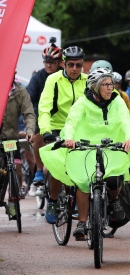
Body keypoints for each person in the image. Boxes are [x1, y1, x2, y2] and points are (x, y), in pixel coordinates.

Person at [39, 68, 130, 239]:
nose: (110, 88)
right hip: (84, 146)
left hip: (112, 145)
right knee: (84, 181)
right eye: (106, 84)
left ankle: (114, 201)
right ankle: (82, 223)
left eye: (112, 84)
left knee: (114, 178)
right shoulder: (82, 102)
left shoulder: (117, 100)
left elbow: (126, 120)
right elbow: (71, 121)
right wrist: (69, 138)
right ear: (95, 86)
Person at [37, 45, 88, 224]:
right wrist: (46, 131)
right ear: (64, 64)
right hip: (57, 126)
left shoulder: (88, 81)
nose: (75, 69)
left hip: (80, 129)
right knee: (57, 165)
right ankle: (52, 200)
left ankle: (77, 199)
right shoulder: (53, 80)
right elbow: (44, 107)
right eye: (71, 65)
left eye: (79, 65)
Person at [26, 38, 63, 192]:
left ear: (59, 62)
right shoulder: (38, 77)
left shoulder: (64, 76)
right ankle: (39, 171)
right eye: (46, 61)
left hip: (62, 117)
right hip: (42, 115)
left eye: (53, 62)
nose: (49, 65)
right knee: (39, 136)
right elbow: (29, 99)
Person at [2, 73, 36, 218]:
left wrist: (29, 131)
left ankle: (12, 202)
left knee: (16, 169)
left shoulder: (20, 91)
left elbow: (29, 113)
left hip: (10, 139)